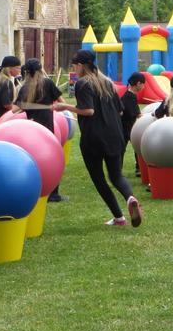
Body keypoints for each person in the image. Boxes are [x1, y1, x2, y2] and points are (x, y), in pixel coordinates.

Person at [55, 50, 141, 228]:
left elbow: (88, 110)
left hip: (93, 138)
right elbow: (120, 110)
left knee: (99, 179)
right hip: (115, 135)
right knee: (116, 176)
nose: (74, 68)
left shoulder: (83, 84)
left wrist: (64, 106)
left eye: (74, 65)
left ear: (80, 65)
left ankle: (119, 217)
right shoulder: (107, 82)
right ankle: (130, 197)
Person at [14, 58, 67, 202]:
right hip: (47, 130)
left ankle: (34, 190)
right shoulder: (47, 83)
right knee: (51, 159)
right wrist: (49, 106)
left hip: (32, 131)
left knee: (33, 159)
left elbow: (14, 109)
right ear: (39, 70)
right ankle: (53, 193)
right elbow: (63, 103)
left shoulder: (24, 88)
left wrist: (29, 106)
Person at [121, 72, 145, 175]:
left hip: (126, 126)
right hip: (126, 127)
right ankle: (138, 168)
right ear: (139, 83)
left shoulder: (128, 95)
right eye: (143, 84)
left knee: (131, 147)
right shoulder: (130, 97)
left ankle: (138, 168)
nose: (144, 86)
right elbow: (135, 113)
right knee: (137, 147)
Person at [0, 55, 22, 126]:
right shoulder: (6, 82)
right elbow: (7, 104)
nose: (20, 70)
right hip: (4, 119)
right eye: (18, 68)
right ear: (9, 69)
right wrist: (20, 109)